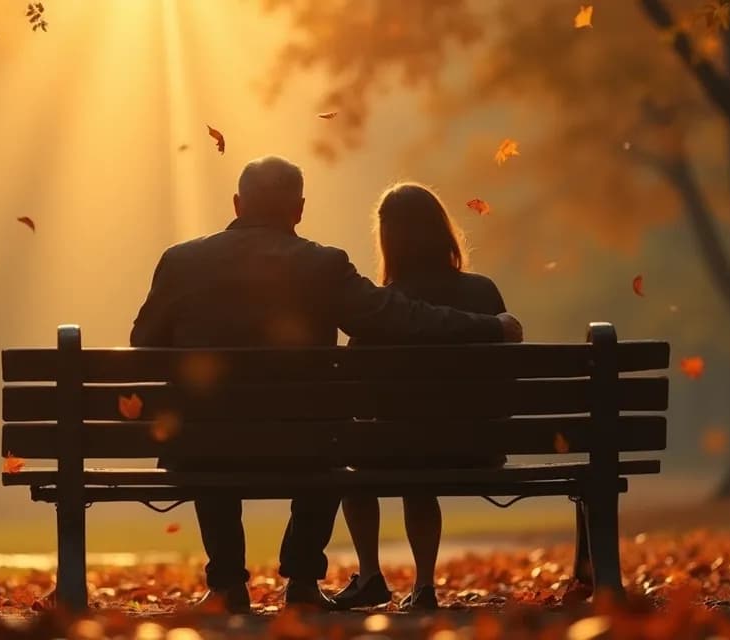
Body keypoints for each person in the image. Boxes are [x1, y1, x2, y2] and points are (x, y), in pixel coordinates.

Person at [130, 158, 523, 614]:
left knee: (211, 428)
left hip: (205, 445)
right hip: (305, 444)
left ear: (237, 204)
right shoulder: (323, 265)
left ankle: (227, 585)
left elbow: (144, 342)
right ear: (299, 209)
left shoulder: (182, 262)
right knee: (333, 434)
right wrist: (488, 327)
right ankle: (300, 581)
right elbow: (399, 316)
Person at [328, 182, 510, 612]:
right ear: (441, 229)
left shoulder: (384, 305)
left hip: (398, 450)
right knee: (416, 455)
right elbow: (505, 380)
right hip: (476, 449)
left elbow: (356, 389)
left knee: (358, 460)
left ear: (388, 239)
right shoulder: (483, 292)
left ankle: (371, 573)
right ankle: (424, 584)